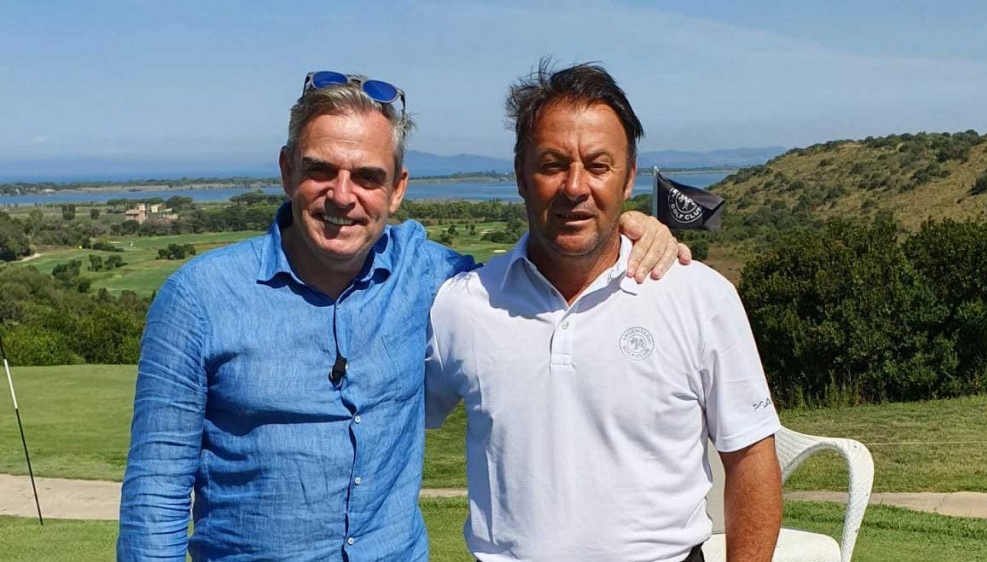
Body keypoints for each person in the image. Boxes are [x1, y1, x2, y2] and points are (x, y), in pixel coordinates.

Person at [117, 70, 689, 561]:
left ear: (397, 190)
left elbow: (546, 257)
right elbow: (155, 497)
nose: (343, 196)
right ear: (288, 170)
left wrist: (628, 228)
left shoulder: (434, 279)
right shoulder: (199, 298)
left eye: (368, 177)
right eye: (321, 170)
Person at [426, 62, 783, 562]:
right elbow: (389, 422)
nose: (575, 187)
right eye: (552, 164)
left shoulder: (700, 298)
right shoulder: (464, 306)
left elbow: (750, 460)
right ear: (520, 176)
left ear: (629, 176)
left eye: (598, 165)